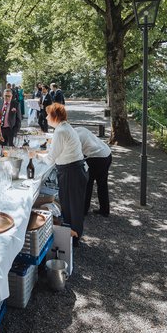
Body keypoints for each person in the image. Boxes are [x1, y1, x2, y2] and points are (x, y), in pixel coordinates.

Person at [36, 103, 87, 247]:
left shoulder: (60, 131)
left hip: (71, 171)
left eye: (48, 114)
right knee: (70, 205)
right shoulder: (65, 127)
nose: (46, 117)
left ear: (55, 116)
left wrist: (37, 156)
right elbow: (56, 151)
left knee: (73, 207)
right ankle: (71, 236)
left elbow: (51, 158)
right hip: (73, 170)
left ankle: (74, 239)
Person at [76, 127, 113, 217]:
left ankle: (83, 210)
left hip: (96, 158)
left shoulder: (74, 138)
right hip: (107, 154)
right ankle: (104, 210)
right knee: (102, 184)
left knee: (87, 183)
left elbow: (75, 156)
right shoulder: (80, 130)